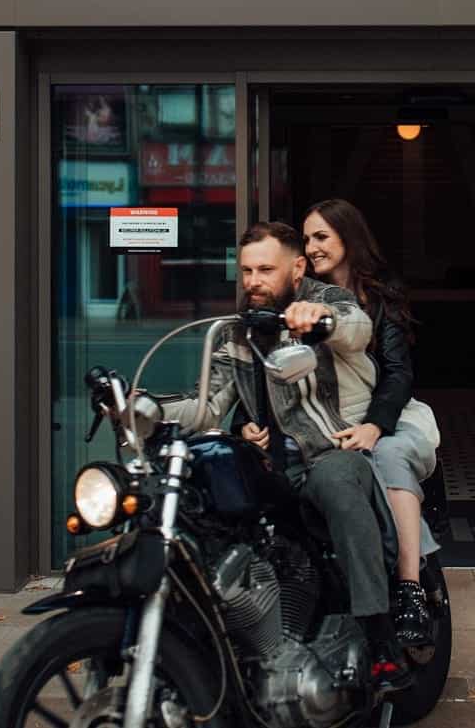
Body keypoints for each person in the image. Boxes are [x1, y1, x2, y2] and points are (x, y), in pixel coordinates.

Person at [157, 221, 413, 692]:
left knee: (337, 481)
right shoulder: (237, 331)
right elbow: (206, 404)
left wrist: (319, 321)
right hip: (272, 465)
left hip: (330, 452)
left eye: (265, 270)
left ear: (297, 268)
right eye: (247, 271)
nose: (253, 281)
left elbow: (354, 329)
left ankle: (380, 641)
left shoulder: (329, 302)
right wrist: (145, 408)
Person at [302, 198, 440, 649]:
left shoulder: (381, 297)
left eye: (321, 236)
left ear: (348, 237)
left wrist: (375, 426)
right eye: (306, 239)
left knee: (388, 454)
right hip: (334, 422)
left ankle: (409, 587)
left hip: (391, 418)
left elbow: (398, 373)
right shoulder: (302, 299)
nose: (312, 246)